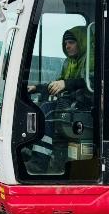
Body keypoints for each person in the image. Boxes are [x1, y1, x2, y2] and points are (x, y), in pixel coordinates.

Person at [25, 26, 93, 174]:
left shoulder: (92, 58)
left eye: (71, 42)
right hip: (72, 102)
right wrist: (36, 88)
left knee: (47, 112)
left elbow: (93, 82)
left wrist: (66, 84)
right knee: (36, 107)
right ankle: (30, 151)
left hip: (86, 105)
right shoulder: (69, 62)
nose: (67, 46)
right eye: (65, 43)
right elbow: (58, 83)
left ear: (81, 42)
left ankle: (39, 162)